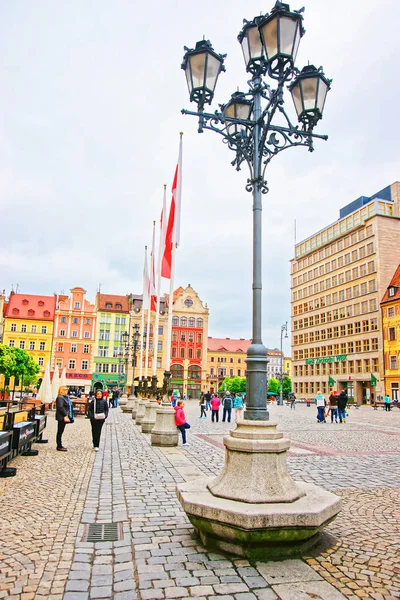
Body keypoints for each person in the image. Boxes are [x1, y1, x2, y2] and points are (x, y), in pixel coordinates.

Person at [55, 386, 71, 451]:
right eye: (65, 390)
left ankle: (59, 445)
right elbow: (60, 407)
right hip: (61, 417)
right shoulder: (60, 398)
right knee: (60, 431)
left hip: (62, 416)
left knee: (61, 431)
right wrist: (65, 415)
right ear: (61, 391)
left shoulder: (64, 397)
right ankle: (59, 445)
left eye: (66, 390)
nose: (66, 391)